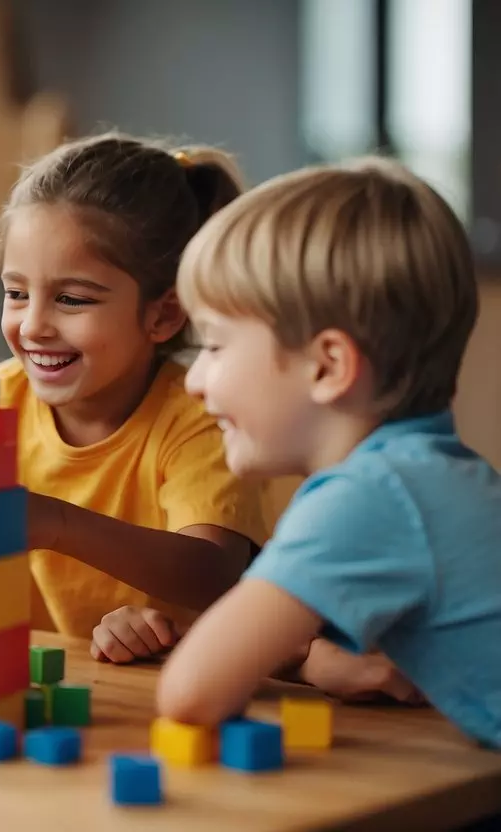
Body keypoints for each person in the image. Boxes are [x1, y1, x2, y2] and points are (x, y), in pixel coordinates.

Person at [157, 157, 499, 749]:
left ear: (329, 365)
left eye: (214, 346)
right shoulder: (431, 476)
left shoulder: (368, 496)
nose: (194, 381)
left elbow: (190, 693)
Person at [0, 133, 270, 651]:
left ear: (162, 315)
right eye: (16, 293)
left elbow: (213, 572)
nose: (33, 326)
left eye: (71, 299)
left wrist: (58, 523)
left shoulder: (202, 416)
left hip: (174, 686)